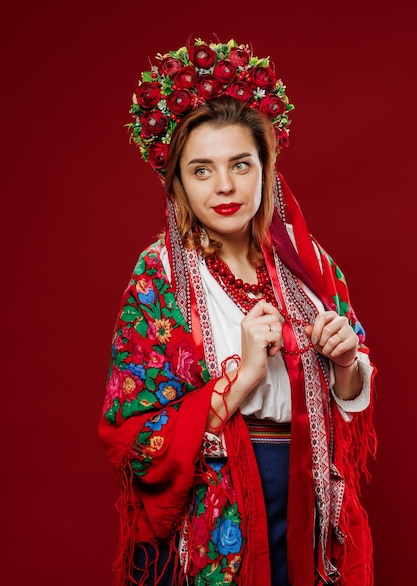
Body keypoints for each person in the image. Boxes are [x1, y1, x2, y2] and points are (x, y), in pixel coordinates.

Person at [98, 37, 377, 586]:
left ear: (266, 168)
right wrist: (245, 374)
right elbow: (130, 430)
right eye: (201, 170)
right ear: (175, 181)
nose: (225, 187)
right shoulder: (162, 275)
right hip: (217, 500)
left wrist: (346, 363)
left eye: (240, 165)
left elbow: (353, 397)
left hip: (311, 499)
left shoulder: (310, 263)